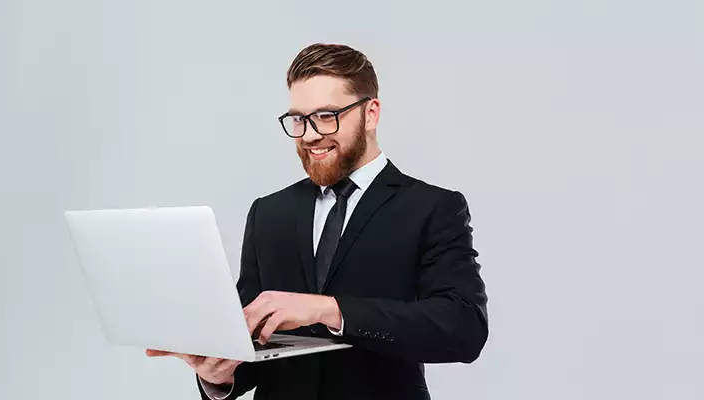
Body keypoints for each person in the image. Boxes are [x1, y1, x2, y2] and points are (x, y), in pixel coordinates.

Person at [146, 43, 489, 399]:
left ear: (370, 114)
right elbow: (253, 343)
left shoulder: (432, 207)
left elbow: (463, 329)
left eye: (327, 115)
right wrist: (217, 375)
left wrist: (330, 310)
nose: (309, 135)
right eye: (299, 119)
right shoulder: (269, 213)